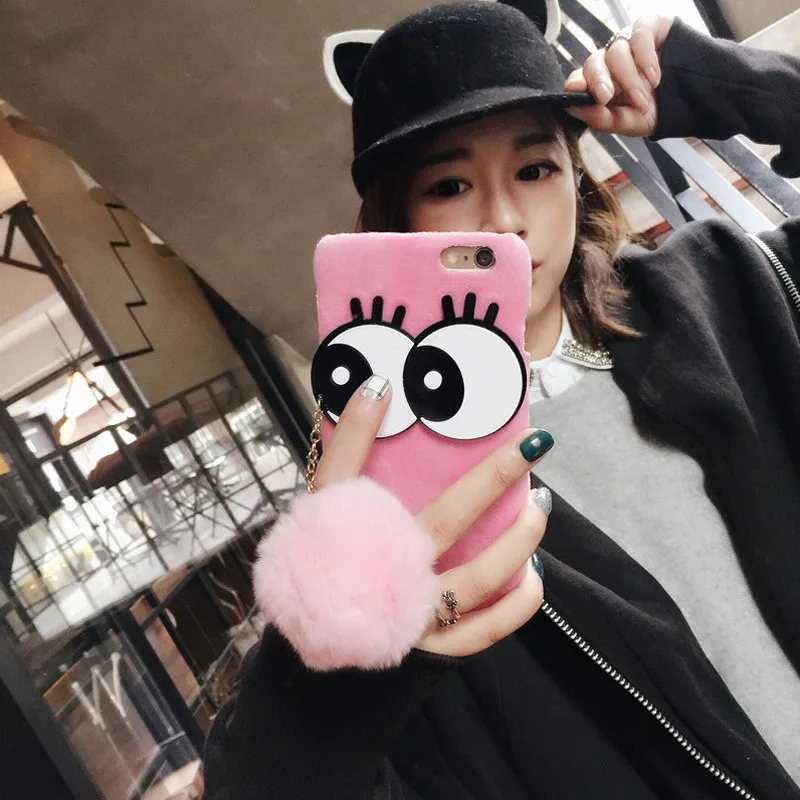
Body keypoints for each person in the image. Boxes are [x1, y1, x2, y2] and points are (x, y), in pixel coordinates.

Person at [203, 2, 800, 797]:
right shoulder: (398, 500)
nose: (505, 220)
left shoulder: (733, 291)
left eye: (535, 169)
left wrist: (748, 90)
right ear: (395, 223)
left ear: (576, 177)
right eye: (449, 185)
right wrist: (335, 673)